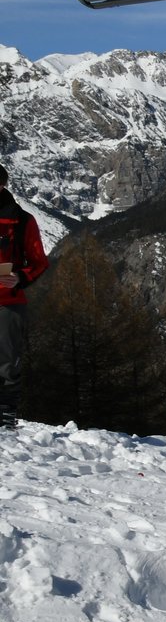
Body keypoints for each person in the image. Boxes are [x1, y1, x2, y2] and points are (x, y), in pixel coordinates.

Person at [0, 164, 49, 429]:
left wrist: (19, 276)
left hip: (8, 301)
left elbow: (39, 261)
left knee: (7, 362)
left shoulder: (22, 221)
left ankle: (5, 416)